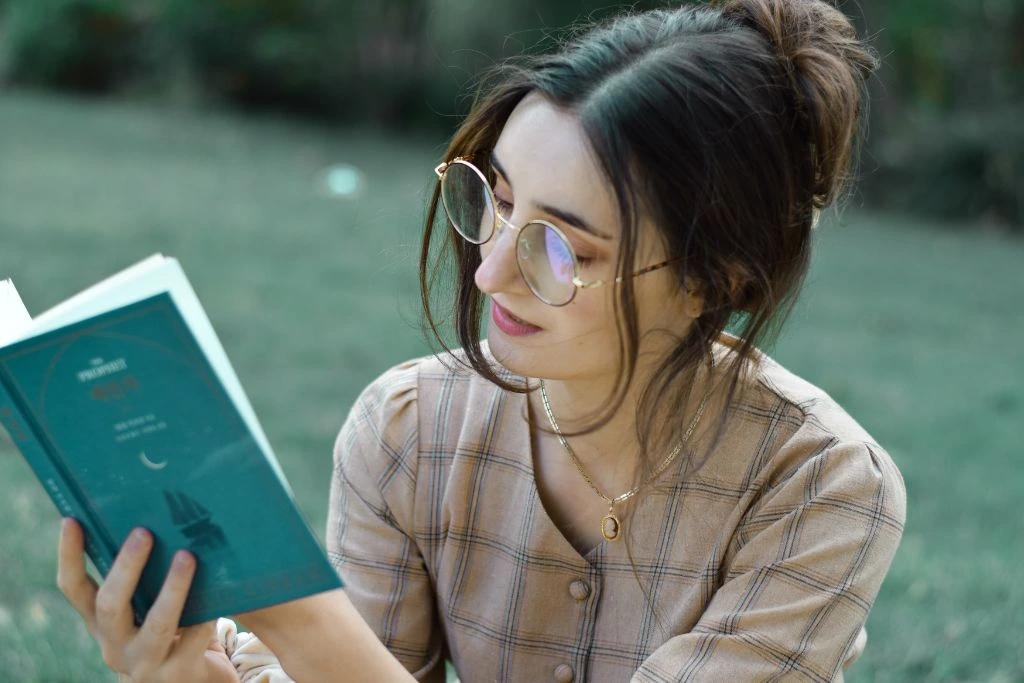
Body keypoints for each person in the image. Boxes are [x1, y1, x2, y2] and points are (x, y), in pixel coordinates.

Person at [55, 0, 907, 680]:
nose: (491, 270)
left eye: (564, 246)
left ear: (714, 282)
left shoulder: (823, 488)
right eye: (495, 200)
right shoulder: (407, 428)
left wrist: (301, 616)